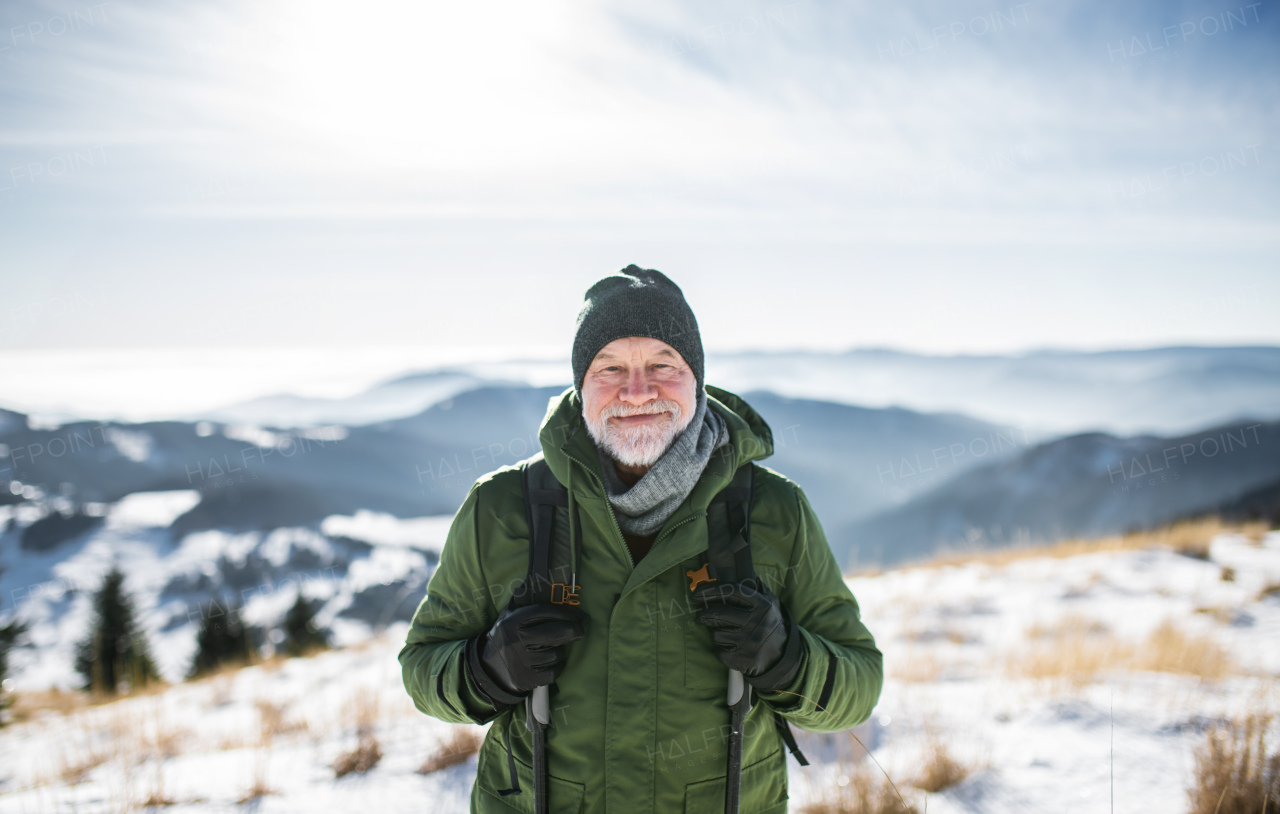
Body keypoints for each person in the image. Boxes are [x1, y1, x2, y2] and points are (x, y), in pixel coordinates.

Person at [400, 265, 882, 814]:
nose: (637, 391)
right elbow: (422, 665)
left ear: (695, 377)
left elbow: (860, 684)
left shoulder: (773, 511)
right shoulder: (503, 507)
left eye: (662, 364)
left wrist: (789, 659)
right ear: (582, 384)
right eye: (610, 368)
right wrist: (484, 671)